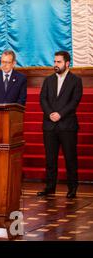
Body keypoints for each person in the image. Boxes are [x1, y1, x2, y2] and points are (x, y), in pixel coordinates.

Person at [37, 51, 83, 199]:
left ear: (67, 63)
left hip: (67, 125)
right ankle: (50, 188)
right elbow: (43, 98)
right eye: (55, 61)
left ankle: (72, 188)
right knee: (50, 159)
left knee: (70, 158)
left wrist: (60, 114)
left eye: (59, 62)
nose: (55, 65)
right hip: (49, 125)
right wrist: (51, 113)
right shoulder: (48, 80)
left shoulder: (76, 80)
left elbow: (74, 101)